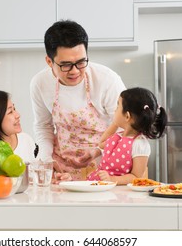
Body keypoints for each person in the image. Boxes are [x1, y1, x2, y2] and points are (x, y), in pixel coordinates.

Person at [30, 20, 126, 181]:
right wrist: (46, 160)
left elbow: (125, 127)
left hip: (104, 169)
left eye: (81, 62)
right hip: (62, 170)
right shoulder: (40, 83)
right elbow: (43, 126)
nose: (75, 71)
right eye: (65, 65)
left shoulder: (107, 80)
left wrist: (98, 151)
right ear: (49, 61)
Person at [87, 87, 168, 185]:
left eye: (117, 107)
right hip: (101, 186)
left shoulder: (139, 144)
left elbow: (136, 177)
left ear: (127, 116)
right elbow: (101, 144)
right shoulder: (118, 137)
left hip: (119, 192)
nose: (115, 110)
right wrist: (116, 123)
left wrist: (111, 179)